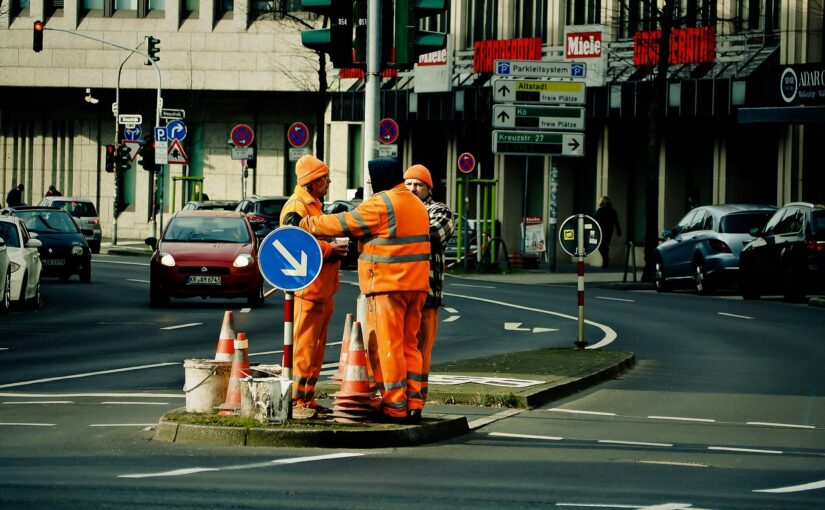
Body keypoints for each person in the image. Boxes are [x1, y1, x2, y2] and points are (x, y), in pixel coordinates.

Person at [298, 157, 430, 424]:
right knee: (409, 345)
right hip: (416, 286)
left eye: (371, 178)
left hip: (388, 286)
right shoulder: (416, 204)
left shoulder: (383, 203)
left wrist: (305, 224)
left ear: (381, 178)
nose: (369, 183)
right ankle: (414, 402)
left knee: (387, 346)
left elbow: (343, 223)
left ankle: (395, 405)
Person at [280, 155, 349, 419]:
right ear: (311, 182)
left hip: (320, 289)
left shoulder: (313, 206)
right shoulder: (297, 207)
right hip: (308, 290)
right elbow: (293, 242)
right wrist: (331, 248)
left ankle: (306, 398)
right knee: (304, 347)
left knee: (315, 348)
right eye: (324, 177)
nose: (329, 181)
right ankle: (298, 400)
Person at [404, 164, 454, 405]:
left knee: (422, 350)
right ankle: (399, 396)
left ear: (428, 188)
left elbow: (432, 234)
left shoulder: (440, 211)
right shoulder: (400, 209)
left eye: (419, 185)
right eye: (409, 184)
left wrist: (398, 229)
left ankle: (417, 399)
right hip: (401, 292)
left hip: (428, 294)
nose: (413, 188)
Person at [594, 196, 622, 268]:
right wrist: (618, 231)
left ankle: (605, 259)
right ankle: (605, 259)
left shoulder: (599, 210)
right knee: (606, 245)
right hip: (609, 230)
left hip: (600, 230)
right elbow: (616, 222)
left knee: (599, 245)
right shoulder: (612, 211)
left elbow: (594, 221)